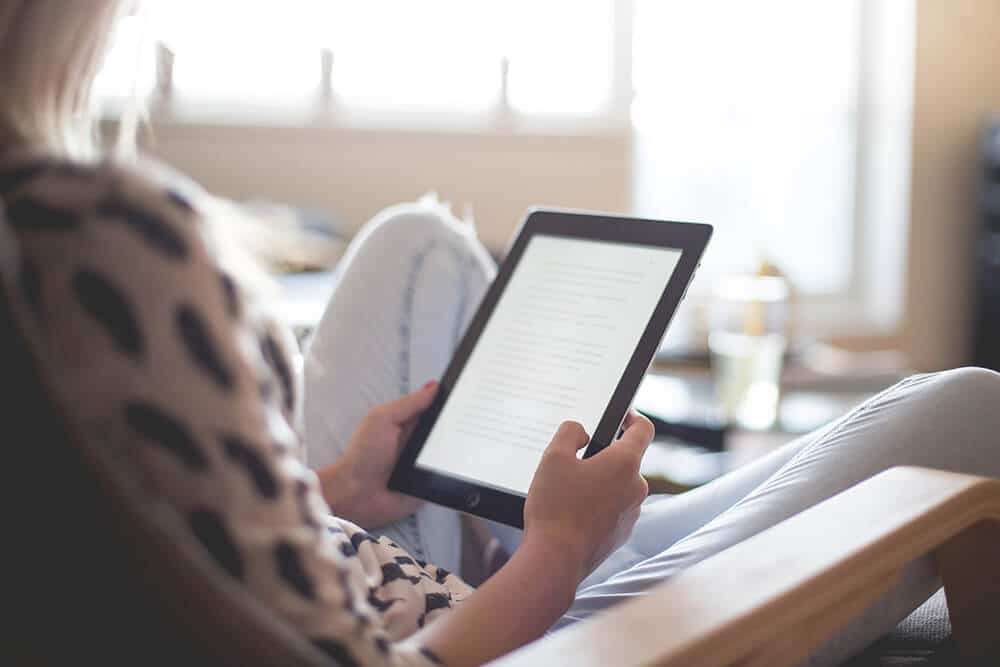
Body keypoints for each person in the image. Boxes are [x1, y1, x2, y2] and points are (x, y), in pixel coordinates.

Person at [1, 2, 998, 665]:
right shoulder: (88, 237)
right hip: (515, 635)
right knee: (969, 408)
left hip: (372, 554)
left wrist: (344, 487)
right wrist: (553, 556)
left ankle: (527, 521)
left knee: (419, 242)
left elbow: (186, 540)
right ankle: (563, 538)